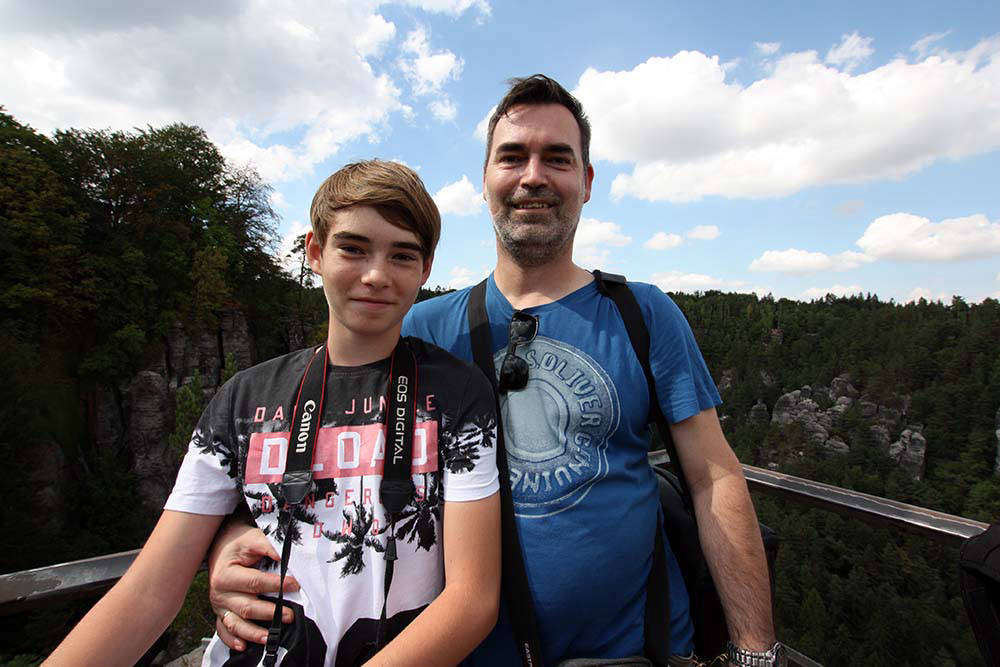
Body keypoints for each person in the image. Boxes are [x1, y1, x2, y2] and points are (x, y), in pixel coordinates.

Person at [206, 76, 780, 666]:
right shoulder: (423, 328)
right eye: (512, 157)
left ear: (586, 182)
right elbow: (328, 455)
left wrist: (755, 653)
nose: (533, 176)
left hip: (638, 652)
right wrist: (232, 539)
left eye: (557, 158)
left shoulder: (642, 314)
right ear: (485, 180)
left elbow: (714, 477)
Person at [44, 160, 501, 667]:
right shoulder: (244, 399)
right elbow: (150, 589)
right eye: (352, 248)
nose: (376, 275)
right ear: (315, 252)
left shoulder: (457, 394)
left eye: (402, 255)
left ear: (425, 269)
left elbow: (473, 599)